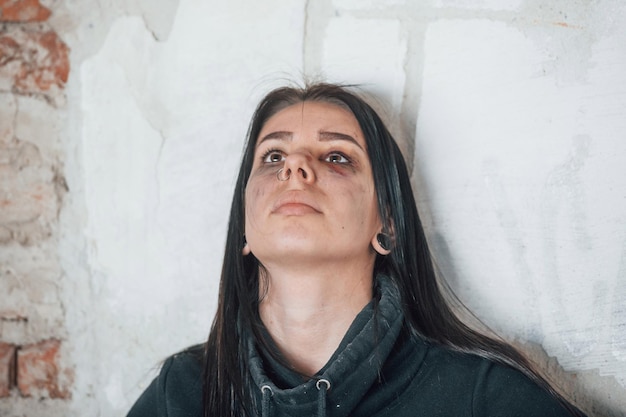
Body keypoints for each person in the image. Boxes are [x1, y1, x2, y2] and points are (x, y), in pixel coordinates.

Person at [126, 83, 586, 417]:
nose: (296, 168)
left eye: (336, 157)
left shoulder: (480, 398)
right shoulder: (182, 393)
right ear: (244, 228)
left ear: (386, 221)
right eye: (273, 157)